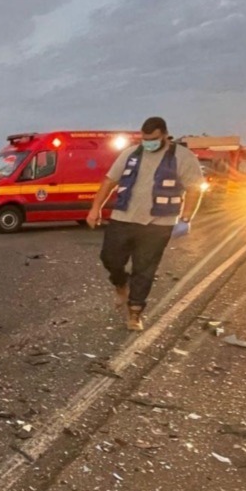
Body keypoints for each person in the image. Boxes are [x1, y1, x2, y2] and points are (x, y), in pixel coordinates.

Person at [86, 117, 204, 332]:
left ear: (165, 135)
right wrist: (95, 209)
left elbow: (195, 189)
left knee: (145, 269)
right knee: (110, 258)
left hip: (158, 224)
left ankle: (135, 312)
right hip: (123, 218)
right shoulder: (131, 153)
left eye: (153, 139)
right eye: (144, 139)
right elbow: (109, 181)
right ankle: (121, 284)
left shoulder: (182, 157)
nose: (147, 143)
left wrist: (186, 218)